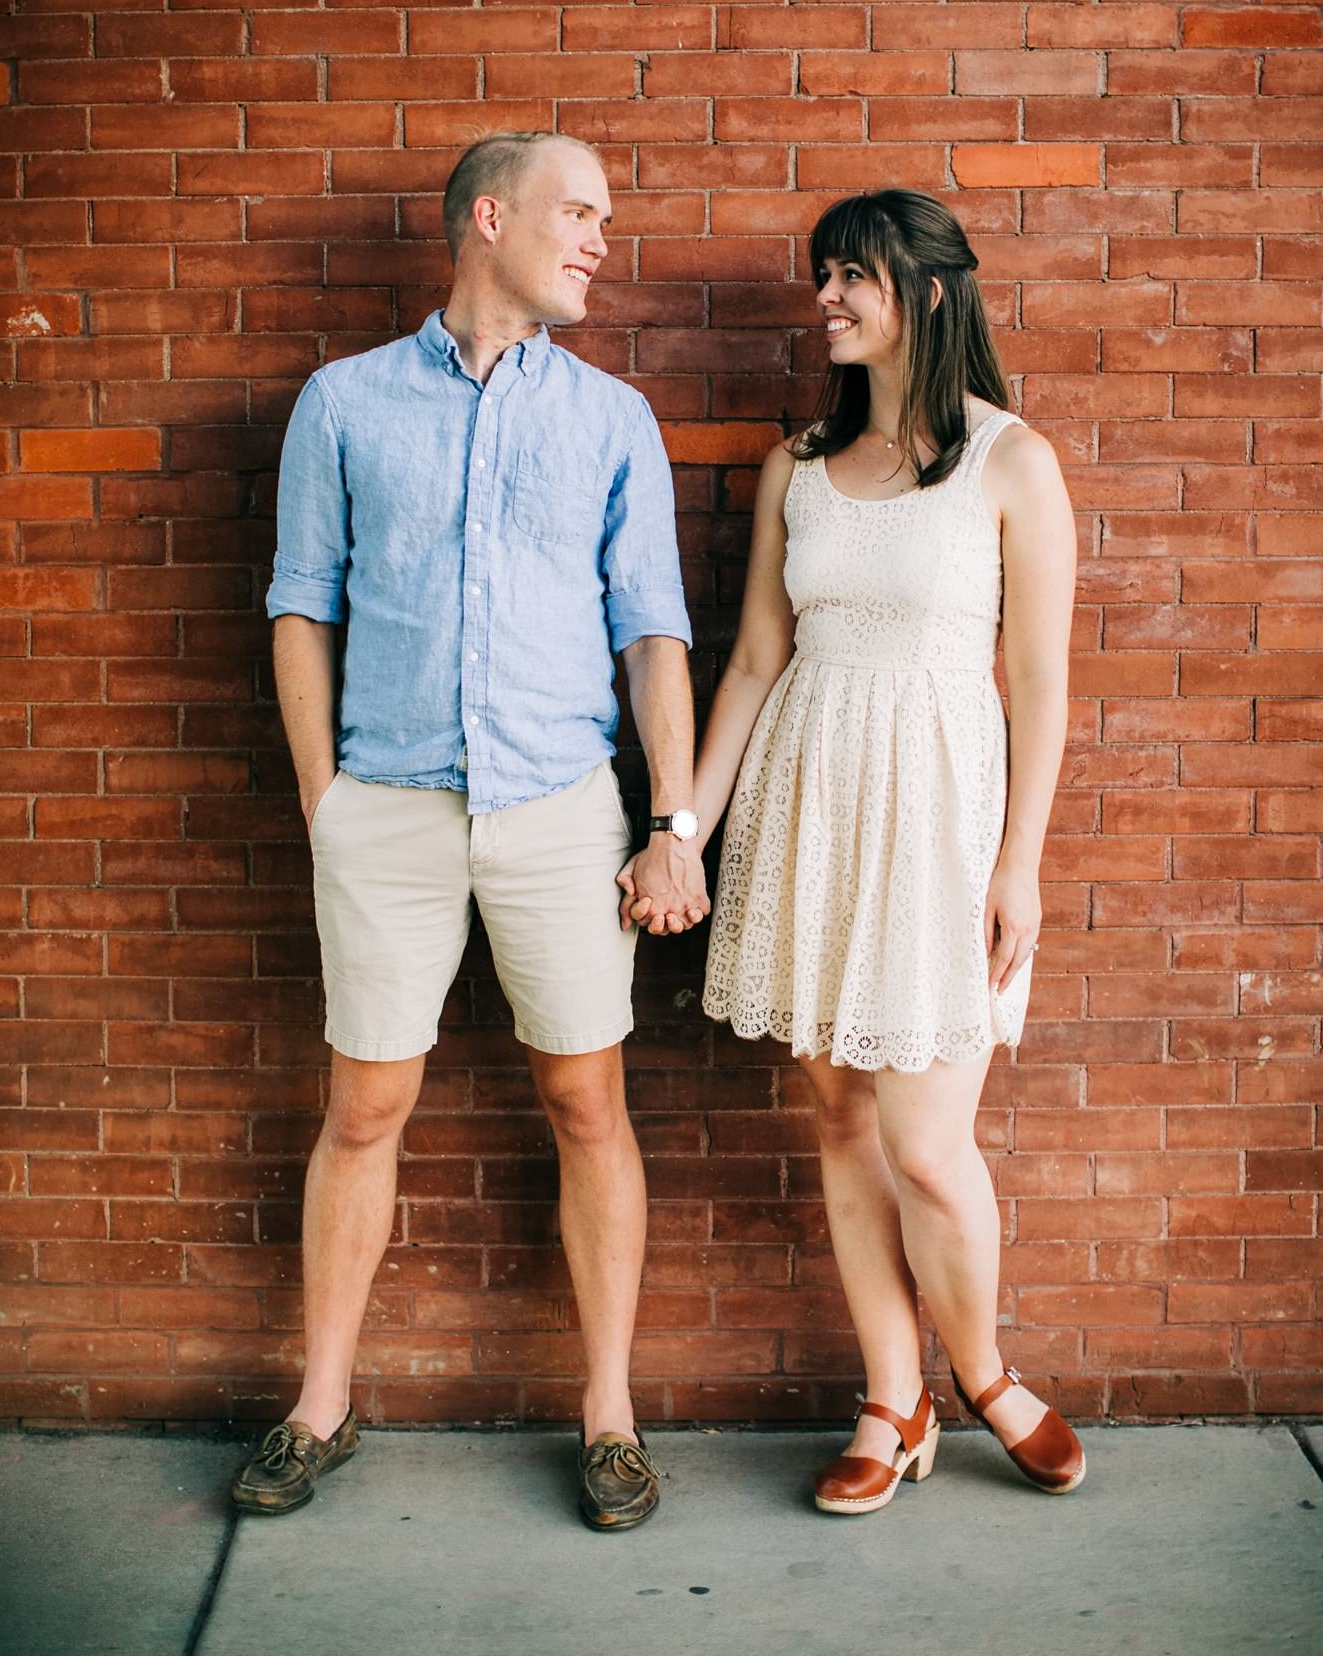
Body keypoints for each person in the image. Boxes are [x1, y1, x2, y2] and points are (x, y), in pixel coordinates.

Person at [231, 131, 709, 1530]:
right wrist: (327, 802)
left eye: (605, 219)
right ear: (486, 218)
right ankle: (321, 1405)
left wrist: (670, 823)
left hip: (564, 811)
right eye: (577, 213)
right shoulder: (343, 403)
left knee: (585, 1104)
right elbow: (300, 603)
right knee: (364, 1107)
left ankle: (608, 1415)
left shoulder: (610, 417)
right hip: (385, 807)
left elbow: (654, 632)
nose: (597, 241)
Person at [626, 187, 1083, 1511]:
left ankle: (984, 1374)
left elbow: (1042, 684)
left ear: (925, 294)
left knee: (929, 1141)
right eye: (820, 276)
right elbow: (758, 659)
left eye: (849, 277)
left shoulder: (1010, 462)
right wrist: (681, 831)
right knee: (837, 1112)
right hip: (810, 805)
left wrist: (1020, 864)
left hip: (940, 819)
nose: (823, 299)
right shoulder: (795, 468)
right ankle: (894, 1400)